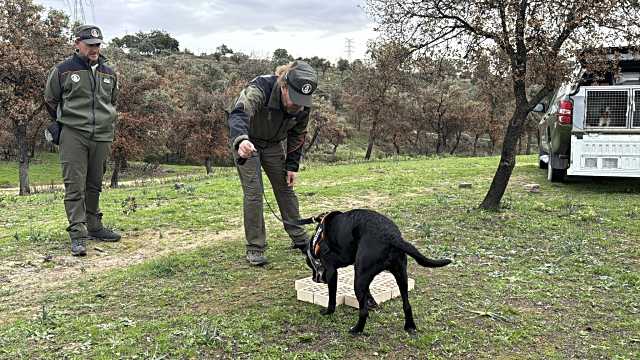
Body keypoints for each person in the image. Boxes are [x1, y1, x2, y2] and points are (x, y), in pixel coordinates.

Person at [227, 60, 318, 266]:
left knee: (285, 188)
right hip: (248, 142)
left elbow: (298, 135)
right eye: (294, 98)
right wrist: (241, 140)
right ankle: (255, 247)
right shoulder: (260, 87)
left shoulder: (302, 104)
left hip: (273, 145)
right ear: (284, 86)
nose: (298, 105)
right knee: (254, 192)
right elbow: (239, 113)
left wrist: (292, 166)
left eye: (302, 100)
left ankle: (299, 237)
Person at [44, 25, 121, 256]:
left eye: (97, 44)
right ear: (77, 44)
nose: (94, 49)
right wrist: (63, 122)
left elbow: (112, 101)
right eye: (89, 44)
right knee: (74, 185)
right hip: (73, 133)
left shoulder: (109, 73)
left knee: (94, 184)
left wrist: (106, 123)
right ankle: (77, 234)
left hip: (102, 135)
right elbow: (50, 99)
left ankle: (94, 226)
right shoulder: (63, 70)